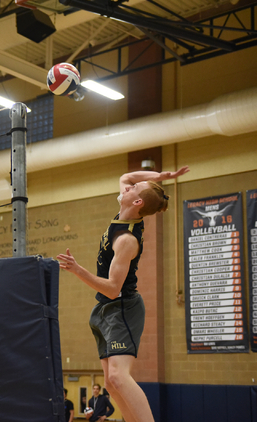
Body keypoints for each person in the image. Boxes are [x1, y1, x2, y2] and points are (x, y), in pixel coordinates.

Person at [57, 166, 190, 422]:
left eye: (136, 188)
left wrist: (77, 270)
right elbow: (126, 177)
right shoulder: (125, 209)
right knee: (110, 382)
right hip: (104, 308)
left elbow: (112, 287)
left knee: (118, 376)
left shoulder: (127, 239)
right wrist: (161, 177)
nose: (129, 186)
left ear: (138, 201)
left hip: (123, 306)